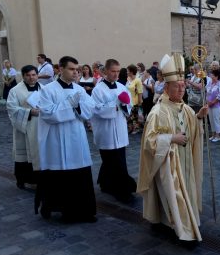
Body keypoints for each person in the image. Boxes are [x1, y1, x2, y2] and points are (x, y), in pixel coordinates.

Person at [137, 53, 209, 246]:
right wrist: (171, 139)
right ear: (166, 88)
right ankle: (183, 231)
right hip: (168, 164)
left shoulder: (185, 108)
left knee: (179, 196)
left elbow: (191, 130)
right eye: (177, 86)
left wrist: (199, 118)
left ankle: (168, 222)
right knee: (174, 195)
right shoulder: (158, 111)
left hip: (185, 162)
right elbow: (149, 142)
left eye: (183, 85)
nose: (181, 89)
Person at [36, 56, 97, 223]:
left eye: (76, 69)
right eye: (71, 69)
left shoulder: (79, 89)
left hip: (77, 137)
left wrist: (77, 106)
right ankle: (65, 210)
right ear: (61, 69)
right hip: (57, 138)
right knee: (61, 175)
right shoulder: (48, 90)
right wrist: (69, 105)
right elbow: (48, 114)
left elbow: (89, 109)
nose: (75, 72)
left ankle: (85, 211)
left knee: (80, 173)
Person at [91, 59, 137, 203]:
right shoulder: (98, 90)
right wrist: (116, 105)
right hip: (106, 130)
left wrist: (125, 104)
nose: (116, 74)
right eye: (113, 71)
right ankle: (120, 190)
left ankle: (106, 183)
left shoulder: (121, 87)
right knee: (111, 160)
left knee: (118, 159)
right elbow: (96, 109)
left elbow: (129, 106)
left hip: (119, 127)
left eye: (118, 71)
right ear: (105, 71)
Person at [6, 65, 42, 189]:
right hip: (25, 127)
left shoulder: (44, 89)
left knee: (41, 154)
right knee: (24, 156)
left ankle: (41, 180)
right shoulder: (15, 91)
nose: (31, 78)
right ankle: (23, 180)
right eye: (28, 75)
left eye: (34, 75)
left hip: (42, 127)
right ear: (23, 76)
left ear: (37, 75)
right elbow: (11, 109)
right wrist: (29, 112)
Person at [206, 69, 220, 142]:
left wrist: (212, 102)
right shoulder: (209, 83)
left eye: (212, 75)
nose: (211, 76)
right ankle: (213, 134)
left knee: (216, 120)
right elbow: (207, 92)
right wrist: (208, 102)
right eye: (211, 75)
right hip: (209, 104)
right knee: (211, 120)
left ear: (217, 76)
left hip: (216, 105)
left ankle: (217, 135)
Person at [126, 64, 144, 134]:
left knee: (135, 116)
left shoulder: (138, 80)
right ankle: (130, 128)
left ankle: (136, 128)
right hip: (128, 101)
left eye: (127, 71)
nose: (127, 72)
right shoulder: (128, 79)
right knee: (129, 116)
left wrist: (139, 102)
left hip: (135, 101)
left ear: (131, 71)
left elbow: (140, 91)